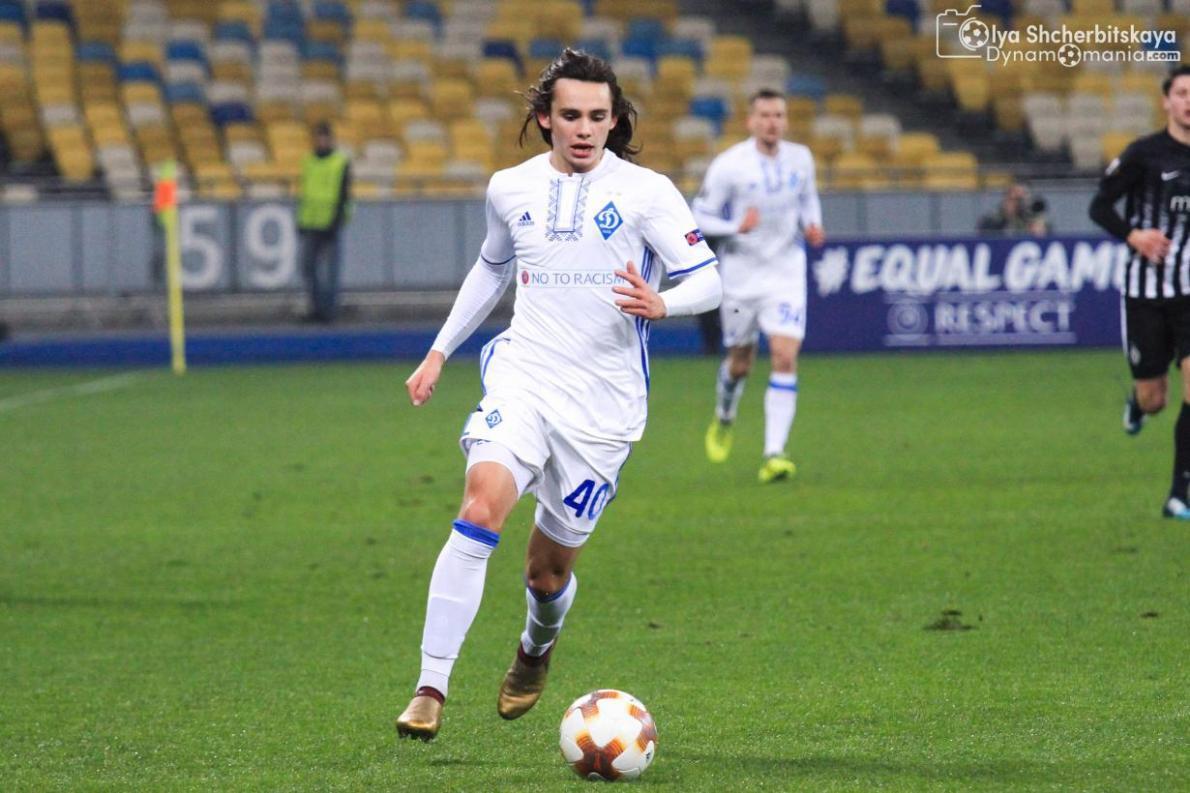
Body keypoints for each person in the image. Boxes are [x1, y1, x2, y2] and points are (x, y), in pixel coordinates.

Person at [394, 48, 722, 741]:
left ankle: (535, 647)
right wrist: (439, 350)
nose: (584, 129)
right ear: (546, 117)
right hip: (525, 377)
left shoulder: (647, 192)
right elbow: (491, 270)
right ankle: (430, 685)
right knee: (480, 504)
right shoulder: (509, 188)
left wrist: (665, 302)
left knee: (545, 575)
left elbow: (709, 278)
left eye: (598, 116)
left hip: (603, 408)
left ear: (614, 120)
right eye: (571, 115)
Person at [690, 88, 825, 484]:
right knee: (740, 363)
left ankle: (774, 453)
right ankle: (724, 415)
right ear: (751, 121)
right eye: (764, 115)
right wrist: (736, 226)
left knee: (784, 355)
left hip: (785, 273)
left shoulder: (801, 158)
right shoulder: (730, 165)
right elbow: (699, 216)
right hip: (741, 277)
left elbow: (808, 199)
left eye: (778, 115)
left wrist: (813, 224)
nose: (772, 122)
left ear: (786, 120)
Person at [1089, 64, 1190, 519]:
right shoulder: (1144, 154)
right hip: (1145, 293)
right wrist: (1134, 236)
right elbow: (1099, 206)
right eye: (1182, 93)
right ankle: (1138, 404)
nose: (1189, 101)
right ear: (1167, 101)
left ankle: (1179, 493)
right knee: (1155, 398)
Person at [296, 121, 351, 323]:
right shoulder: (308, 161)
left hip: (330, 222)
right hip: (311, 222)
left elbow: (344, 193)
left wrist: (337, 218)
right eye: (319, 138)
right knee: (308, 268)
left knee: (330, 270)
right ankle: (316, 307)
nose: (321, 141)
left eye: (324, 138)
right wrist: (301, 221)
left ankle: (329, 310)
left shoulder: (339, 162)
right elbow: (306, 192)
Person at [979, 181, 1051, 236]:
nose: (1020, 203)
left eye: (1021, 199)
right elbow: (984, 237)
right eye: (1016, 199)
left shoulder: (1033, 218)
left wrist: (1040, 233)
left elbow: (1051, 238)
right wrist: (1007, 217)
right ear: (1006, 199)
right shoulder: (992, 219)